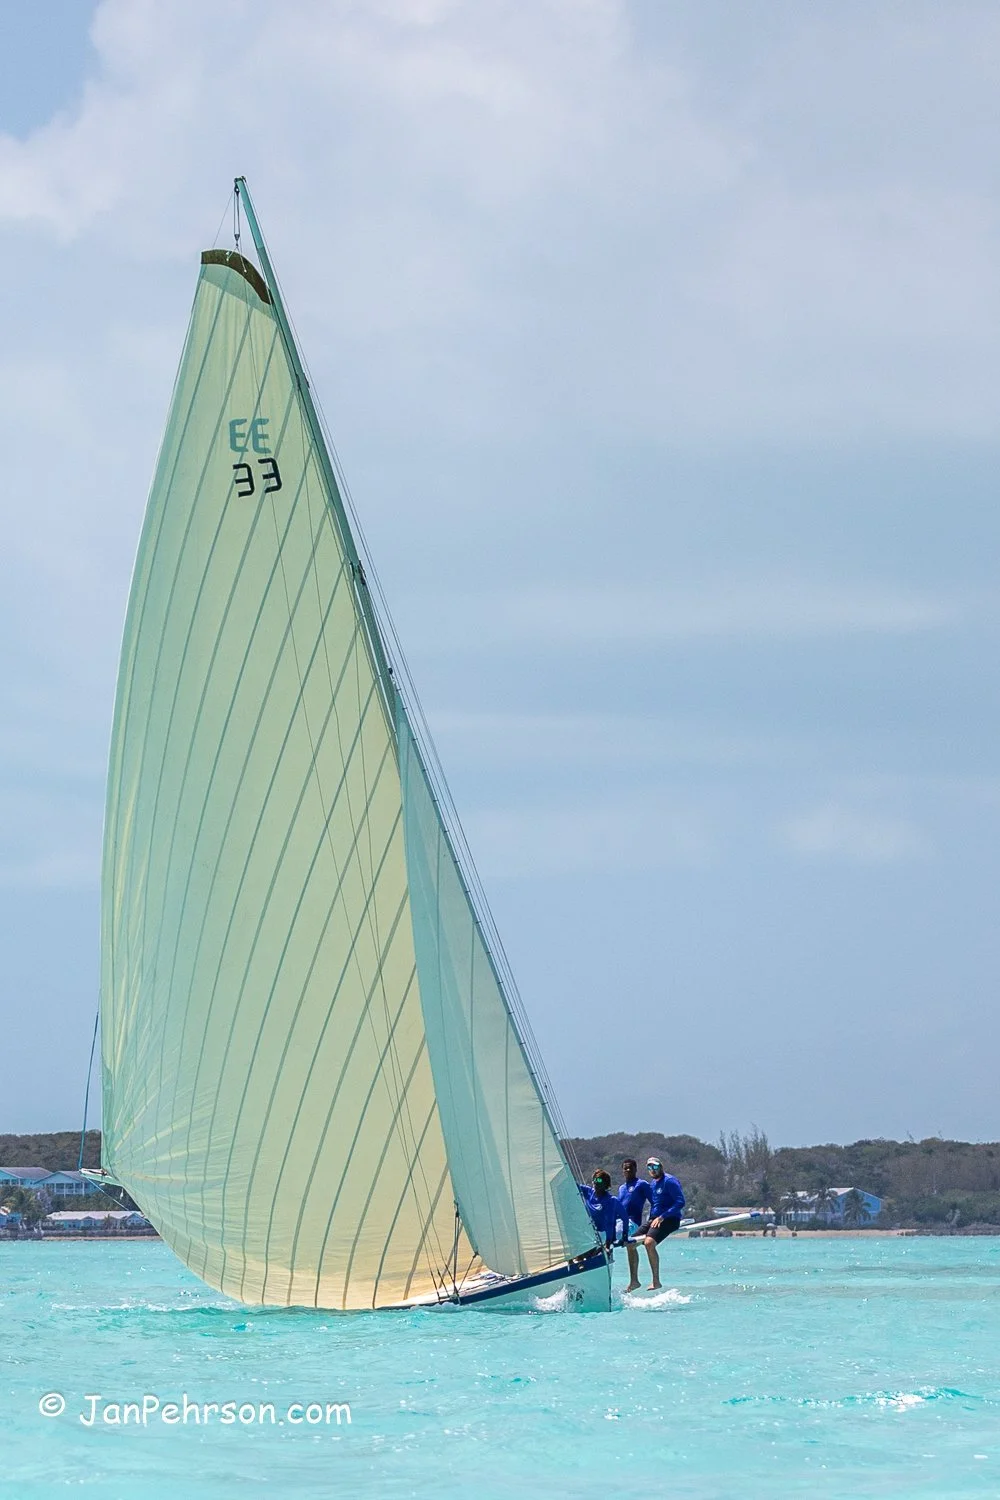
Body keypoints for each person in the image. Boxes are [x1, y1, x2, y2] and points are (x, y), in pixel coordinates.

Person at [640, 1156, 685, 1290]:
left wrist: (662, 1217)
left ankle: (656, 1281)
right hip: (654, 1219)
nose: (652, 1170)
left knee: (649, 1243)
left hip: (669, 1219)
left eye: (655, 1166)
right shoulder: (653, 1184)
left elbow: (680, 1202)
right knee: (630, 1243)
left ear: (660, 1167)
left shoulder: (669, 1181)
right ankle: (634, 1280)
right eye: (649, 1167)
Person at [616, 1158, 652, 1293]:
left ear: (636, 1169)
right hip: (618, 1222)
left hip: (633, 1223)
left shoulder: (641, 1184)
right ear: (622, 1171)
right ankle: (634, 1281)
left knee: (622, 1239)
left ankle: (634, 1280)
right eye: (625, 1168)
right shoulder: (621, 1188)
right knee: (600, 1235)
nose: (627, 1170)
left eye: (630, 1167)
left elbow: (655, 1202)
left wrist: (652, 1221)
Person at [579, 1170, 620, 1252]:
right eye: (594, 1179)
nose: (595, 1182)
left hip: (603, 1234)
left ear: (605, 1184)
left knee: (588, 1252)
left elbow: (610, 1224)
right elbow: (573, 1185)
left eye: (599, 1180)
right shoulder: (589, 1192)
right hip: (590, 1233)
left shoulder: (609, 1200)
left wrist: (608, 1244)